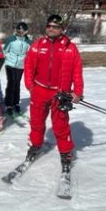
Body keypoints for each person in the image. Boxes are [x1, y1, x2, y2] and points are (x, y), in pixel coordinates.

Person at [22, 14, 83, 174]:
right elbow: (28, 66)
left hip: (60, 92)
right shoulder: (37, 45)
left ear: (62, 29)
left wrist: (77, 92)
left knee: (60, 125)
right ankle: (35, 146)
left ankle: (66, 154)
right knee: (36, 122)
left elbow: (77, 71)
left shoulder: (70, 47)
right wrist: (30, 86)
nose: (51, 29)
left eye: (55, 27)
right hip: (39, 90)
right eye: (49, 26)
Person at [3, 22, 32, 117]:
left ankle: (16, 103)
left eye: (23, 30)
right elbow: (4, 51)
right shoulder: (11, 39)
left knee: (17, 83)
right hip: (10, 64)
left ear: (26, 31)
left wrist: (25, 60)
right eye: (19, 30)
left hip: (20, 65)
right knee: (11, 82)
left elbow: (30, 54)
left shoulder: (28, 42)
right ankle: (8, 104)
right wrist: (8, 57)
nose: (20, 32)